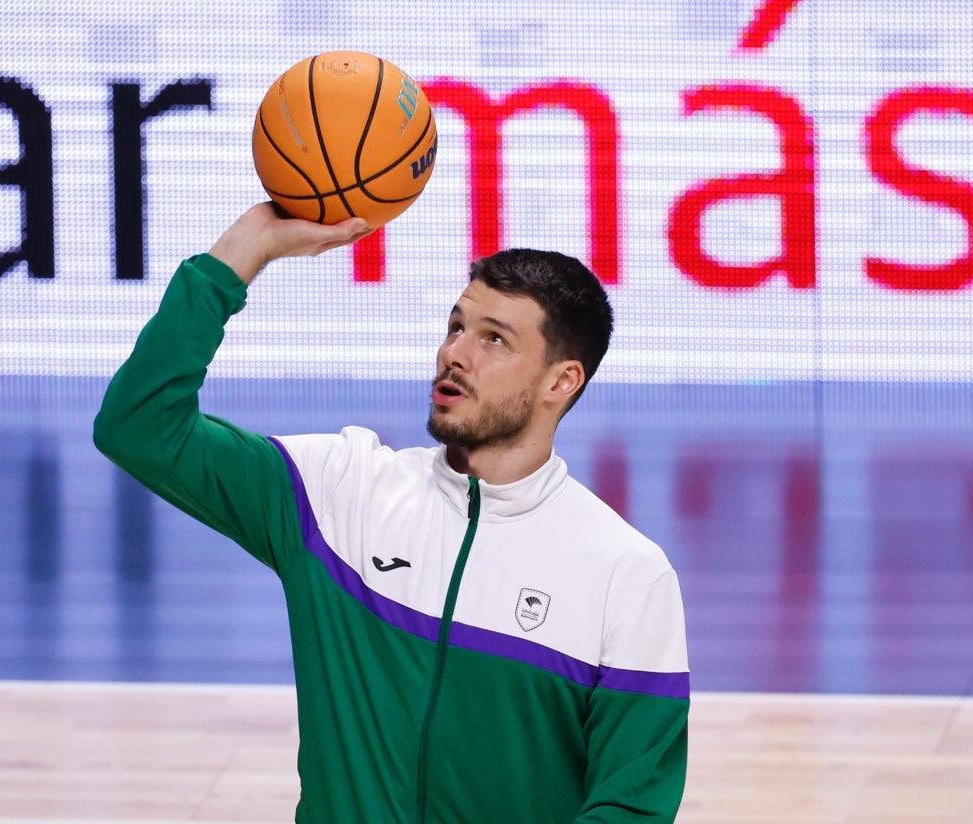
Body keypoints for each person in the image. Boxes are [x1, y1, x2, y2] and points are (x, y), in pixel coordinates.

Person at [93, 203, 689, 823]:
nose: (456, 353)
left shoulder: (626, 574)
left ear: (560, 382)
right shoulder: (339, 491)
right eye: (456, 326)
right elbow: (138, 427)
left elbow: (632, 806)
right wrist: (246, 249)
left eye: (494, 340)